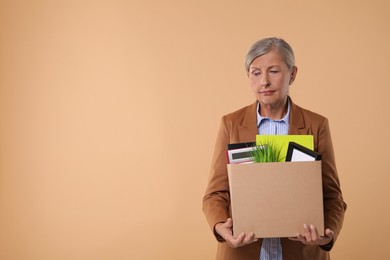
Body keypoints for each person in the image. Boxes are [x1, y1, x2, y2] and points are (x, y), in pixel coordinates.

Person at [202, 37, 347, 260]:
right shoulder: (230, 124)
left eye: (274, 71)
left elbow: (332, 196)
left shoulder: (316, 125)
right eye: (256, 72)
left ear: (293, 74)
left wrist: (326, 237)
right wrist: (221, 226)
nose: (264, 82)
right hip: (242, 251)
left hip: (302, 253)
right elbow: (215, 194)